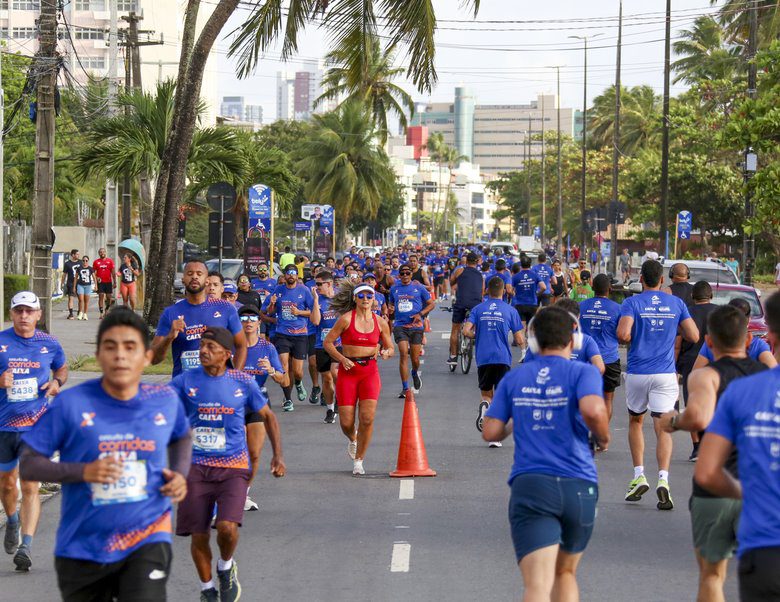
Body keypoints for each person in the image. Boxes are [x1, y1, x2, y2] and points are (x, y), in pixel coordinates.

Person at [19, 307, 191, 599]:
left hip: (147, 537)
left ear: (147, 357)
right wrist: (84, 471)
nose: (120, 356)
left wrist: (179, 473)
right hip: (82, 547)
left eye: (130, 347)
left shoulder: (165, 400)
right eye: (111, 347)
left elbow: (182, 436)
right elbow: (29, 464)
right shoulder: (71, 404)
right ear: (98, 355)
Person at [482, 306, 610, 601]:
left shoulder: (516, 377)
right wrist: (603, 438)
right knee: (565, 573)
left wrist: (518, 417)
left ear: (534, 342)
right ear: (574, 341)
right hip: (579, 485)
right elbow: (593, 410)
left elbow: (490, 432)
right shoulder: (584, 372)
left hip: (532, 484)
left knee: (537, 584)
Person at [658, 305, 766, 602]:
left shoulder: (705, 376)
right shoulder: (769, 378)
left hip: (714, 490)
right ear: (748, 340)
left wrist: (673, 422)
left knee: (712, 576)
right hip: (760, 488)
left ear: (709, 341)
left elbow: (699, 416)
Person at [170, 327, 285, 602]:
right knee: (198, 534)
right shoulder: (185, 381)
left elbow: (268, 416)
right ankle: (207, 588)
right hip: (195, 467)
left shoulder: (242, 382)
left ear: (226, 354)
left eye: (210, 347)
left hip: (233, 466)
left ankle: (225, 565)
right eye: (202, 345)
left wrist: (277, 455)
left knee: (226, 527)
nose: (203, 351)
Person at [694, 291, 780, 601]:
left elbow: (707, 472)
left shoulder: (742, 390)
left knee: (712, 576)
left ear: (770, 336)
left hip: (765, 546)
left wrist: (746, 491)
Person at [617, 259, 699, 509]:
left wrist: (634, 335)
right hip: (665, 373)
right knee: (663, 427)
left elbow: (623, 334)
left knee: (635, 421)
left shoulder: (632, 303)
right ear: (662, 280)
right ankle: (663, 479)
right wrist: (673, 329)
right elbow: (694, 335)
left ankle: (639, 475)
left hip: (638, 372)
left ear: (641, 279)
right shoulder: (676, 303)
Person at [0, 292, 67, 571]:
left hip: (36, 427)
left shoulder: (49, 343)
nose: (24, 316)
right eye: (19, 311)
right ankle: (12, 520)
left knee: (30, 485)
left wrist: (56, 383)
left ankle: (25, 546)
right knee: (7, 484)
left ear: (39, 314)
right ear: (11, 314)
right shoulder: (1, 342)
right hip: (4, 427)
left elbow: (61, 369)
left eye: (29, 311)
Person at [324, 281, 394, 475]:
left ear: (374, 299)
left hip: (369, 372)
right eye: (361, 295)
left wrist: (387, 352)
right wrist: (341, 359)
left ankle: (359, 461)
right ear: (355, 298)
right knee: (346, 423)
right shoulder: (346, 319)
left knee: (367, 418)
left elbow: (390, 347)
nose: (365, 299)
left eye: (369, 295)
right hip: (348, 372)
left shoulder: (380, 322)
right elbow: (328, 343)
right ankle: (353, 438)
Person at [152, 260, 246, 376]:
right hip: (185, 384)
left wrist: (235, 377)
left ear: (207, 281)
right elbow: (154, 359)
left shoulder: (226, 308)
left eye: (199, 274)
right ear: (183, 279)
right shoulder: (170, 313)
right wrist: (169, 337)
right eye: (190, 273)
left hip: (216, 384)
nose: (194, 277)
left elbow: (242, 346)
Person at [462, 276, 524, 448]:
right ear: (503, 291)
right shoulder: (510, 310)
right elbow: (519, 338)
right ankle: (495, 438)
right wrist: (525, 350)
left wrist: (477, 335)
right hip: (503, 358)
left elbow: (466, 331)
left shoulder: (478, 309)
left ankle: (485, 407)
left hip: (483, 357)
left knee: (486, 394)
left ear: (487, 290)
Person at [237, 304, 286, 512]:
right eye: (243, 319)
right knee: (237, 450)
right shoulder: (231, 346)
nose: (248, 322)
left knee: (254, 453)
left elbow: (284, 380)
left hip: (258, 403)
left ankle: (243, 493)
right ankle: (230, 491)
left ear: (259, 322)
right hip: (234, 404)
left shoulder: (268, 348)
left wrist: (271, 370)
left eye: (252, 318)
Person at [675, 281, 718, 462]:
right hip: (716, 365)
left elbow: (678, 343)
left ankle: (697, 447)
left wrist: (674, 366)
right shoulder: (720, 313)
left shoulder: (687, 313)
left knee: (693, 404)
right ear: (711, 296)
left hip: (690, 364)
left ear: (692, 296)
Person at [263, 266, 314, 411]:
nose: (291, 275)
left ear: (297, 275)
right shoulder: (278, 290)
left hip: (300, 334)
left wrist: (299, 312)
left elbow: (312, 312)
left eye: (293, 273)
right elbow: (269, 312)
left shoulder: (304, 290)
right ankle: (288, 399)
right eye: (288, 273)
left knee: (297, 371)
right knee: (284, 366)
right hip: (282, 333)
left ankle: (298, 383)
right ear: (285, 275)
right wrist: (272, 303)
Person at [693, 297, 777, 371]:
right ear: (748, 320)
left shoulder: (712, 343)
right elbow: (774, 373)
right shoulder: (758, 345)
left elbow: (696, 372)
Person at [388, 264, 435, 398]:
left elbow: (432, 304)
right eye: (402, 273)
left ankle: (414, 372)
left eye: (407, 273)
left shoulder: (418, 287)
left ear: (411, 274)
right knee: (403, 354)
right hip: (400, 326)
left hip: (416, 326)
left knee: (415, 358)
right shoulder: (394, 288)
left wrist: (420, 314)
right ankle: (405, 388)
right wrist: (391, 308)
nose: (405, 275)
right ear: (399, 275)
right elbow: (391, 303)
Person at [579, 274, 622, 420]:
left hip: (586, 359)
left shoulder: (581, 306)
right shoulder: (618, 308)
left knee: (584, 396)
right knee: (607, 399)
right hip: (609, 359)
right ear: (610, 289)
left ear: (592, 287)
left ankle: (584, 428)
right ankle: (603, 429)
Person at [310, 271, 341, 424]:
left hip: (339, 344)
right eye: (315, 284)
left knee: (335, 373)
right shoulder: (317, 300)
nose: (316, 287)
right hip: (321, 344)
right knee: (327, 379)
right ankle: (330, 408)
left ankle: (340, 400)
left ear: (329, 284)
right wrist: (316, 300)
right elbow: (316, 321)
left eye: (319, 284)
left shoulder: (340, 298)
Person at [448, 252, 485, 366]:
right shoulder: (480, 275)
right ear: (477, 262)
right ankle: (473, 337)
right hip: (476, 304)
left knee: (455, 329)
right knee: (474, 324)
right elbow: (482, 292)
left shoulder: (460, 270)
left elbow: (451, 282)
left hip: (461, 303)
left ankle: (453, 357)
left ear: (466, 261)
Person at [512, 255, 544, 326]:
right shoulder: (535, 275)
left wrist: (514, 294)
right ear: (530, 264)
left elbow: (510, 290)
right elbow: (543, 287)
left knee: (522, 326)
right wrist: (537, 294)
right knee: (531, 326)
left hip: (520, 304)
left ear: (521, 264)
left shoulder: (515, 276)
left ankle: (523, 333)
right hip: (532, 304)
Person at [93, 247, 117, 318]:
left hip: (108, 282)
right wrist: (96, 278)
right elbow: (93, 273)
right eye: (100, 252)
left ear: (105, 253)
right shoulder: (96, 262)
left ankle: (107, 309)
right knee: (101, 296)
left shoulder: (110, 261)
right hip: (100, 282)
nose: (102, 253)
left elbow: (113, 272)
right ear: (99, 253)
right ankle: (101, 313)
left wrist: (115, 282)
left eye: (103, 252)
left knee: (109, 297)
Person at [75, 255, 97, 320]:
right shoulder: (79, 268)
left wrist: (96, 285)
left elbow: (94, 277)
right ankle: (80, 313)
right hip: (80, 285)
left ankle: (85, 314)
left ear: (88, 261)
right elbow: (76, 278)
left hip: (88, 286)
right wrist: (74, 287)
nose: (85, 262)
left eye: (86, 261)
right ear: (82, 261)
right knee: (81, 300)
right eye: (83, 260)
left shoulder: (90, 268)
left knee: (86, 301)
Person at [62, 249, 81, 320]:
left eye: (78, 254)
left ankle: (80, 312)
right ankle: (71, 314)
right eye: (77, 254)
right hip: (71, 283)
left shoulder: (81, 262)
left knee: (80, 298)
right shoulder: (67, 264)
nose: (78, 255)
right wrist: (62, 283)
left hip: (80, 282)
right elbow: (64, 274)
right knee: (71, 298)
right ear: (73, 255)